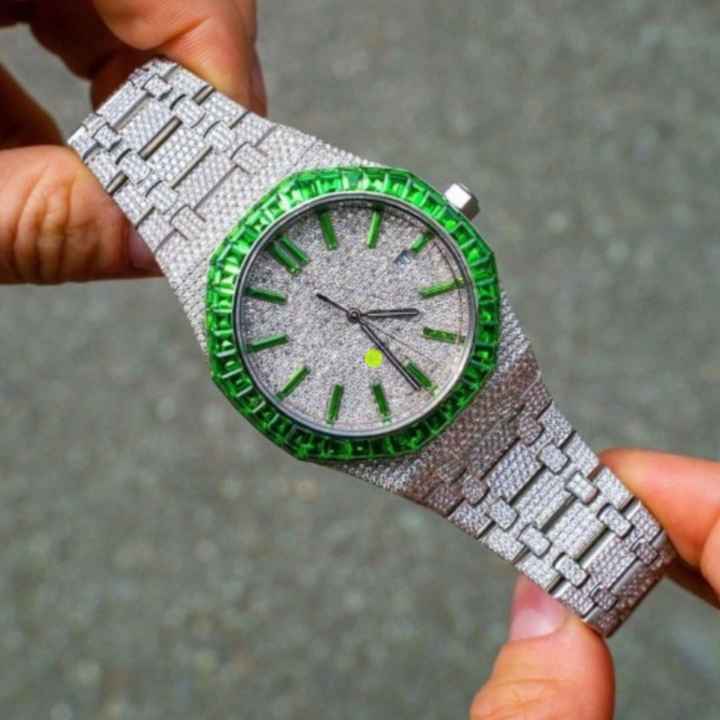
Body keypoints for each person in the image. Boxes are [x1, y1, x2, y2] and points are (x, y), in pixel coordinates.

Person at [1, 3, 717, 718]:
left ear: (442, 212)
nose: (354, 318)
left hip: (491, 387)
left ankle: (600, 550)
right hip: (419, 437)